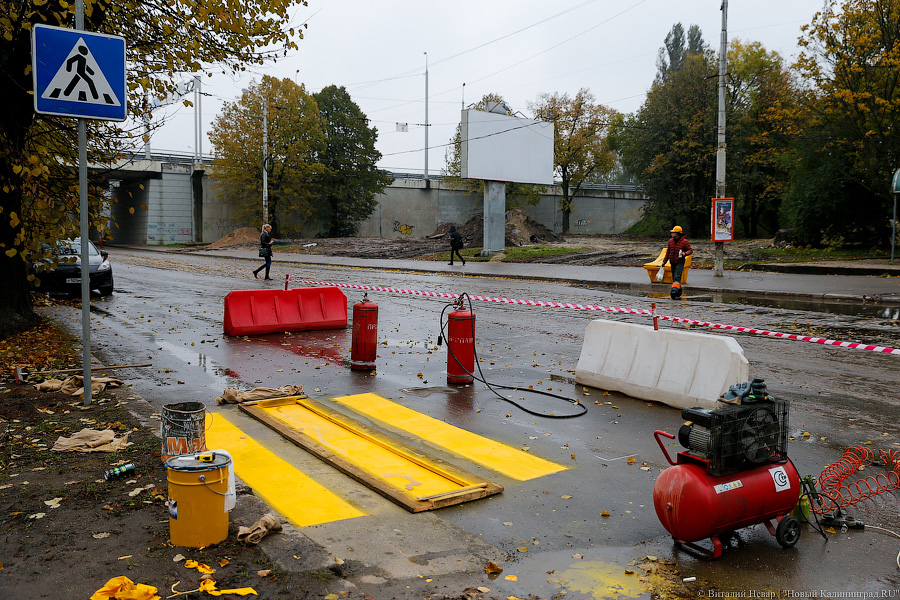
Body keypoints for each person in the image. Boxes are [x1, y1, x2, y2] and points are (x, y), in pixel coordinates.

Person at [660, 225, 692, 299]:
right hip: (672, 262)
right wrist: (664, 262)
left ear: (677, 233)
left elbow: (690, 250)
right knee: (674, 277)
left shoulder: (685, 242)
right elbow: (668, 252)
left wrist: (685, 253)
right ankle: (679, 292)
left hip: (680, 262)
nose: (671, 233)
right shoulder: (670, 241)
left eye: (673, 232)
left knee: (677, 277)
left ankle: (674, 292)